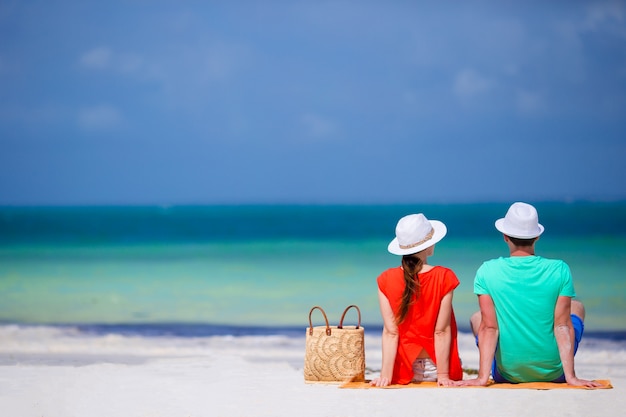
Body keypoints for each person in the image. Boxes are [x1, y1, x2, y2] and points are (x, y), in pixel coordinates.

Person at [456, 202, 602, 388]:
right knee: (577, 307)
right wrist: (571, 378)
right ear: (537, 236)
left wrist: (482, 379)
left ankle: (492, 369)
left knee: (479, 319)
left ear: (505, 236)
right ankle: (565, 369)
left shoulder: (486, 271)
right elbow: (562, 326)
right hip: (555, 373)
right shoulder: (560, 269)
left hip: (507, 374)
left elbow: (489, 329)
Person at [370, 213, 463, 387]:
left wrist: (385, 376)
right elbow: (441, 331)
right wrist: (443, 376)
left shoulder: (385, 279)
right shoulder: (444, 277)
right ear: (428, 246)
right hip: (438, 369)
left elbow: (391, 332)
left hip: (403, 371)